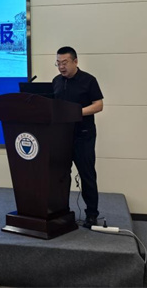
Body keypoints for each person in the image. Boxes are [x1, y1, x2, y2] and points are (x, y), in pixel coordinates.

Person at [52, 46, 103, 228]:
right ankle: (61, 210)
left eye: (64, 63)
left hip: (83, 136)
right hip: (61, 136)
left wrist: (76, 112)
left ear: (75, 61)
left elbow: (98, 105)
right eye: (58, 63)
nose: (61, 67)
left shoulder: (88, 80)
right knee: (60, 175)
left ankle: (92, 214)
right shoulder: (56, 81)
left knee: (87, 175)